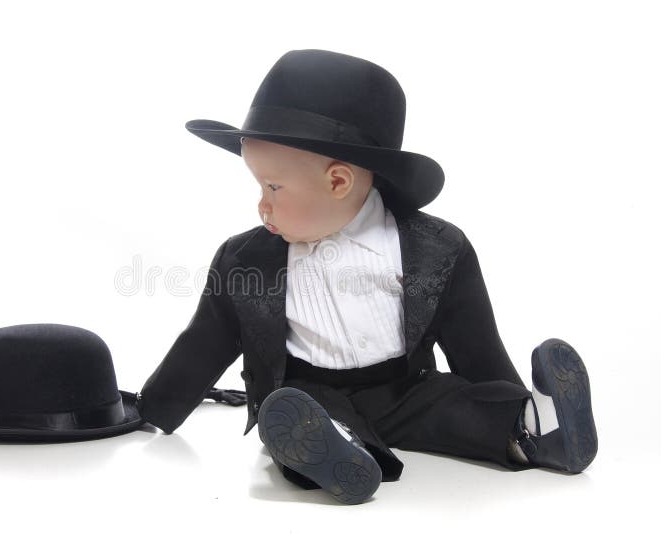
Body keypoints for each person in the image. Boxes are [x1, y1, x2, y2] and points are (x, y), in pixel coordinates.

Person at [135, 49, 597, 505]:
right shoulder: (245, 258)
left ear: (339, 182)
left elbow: (473, 338)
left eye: (273, 187)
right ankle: (335, 451)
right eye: (259, 186)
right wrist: (156, 408)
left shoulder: (436, 247)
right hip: (307, 389)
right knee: (296, 415)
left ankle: (535, 427)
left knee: (452, 406)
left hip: (406, 388)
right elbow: (206, 340)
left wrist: (500, 396)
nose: (262, 204)